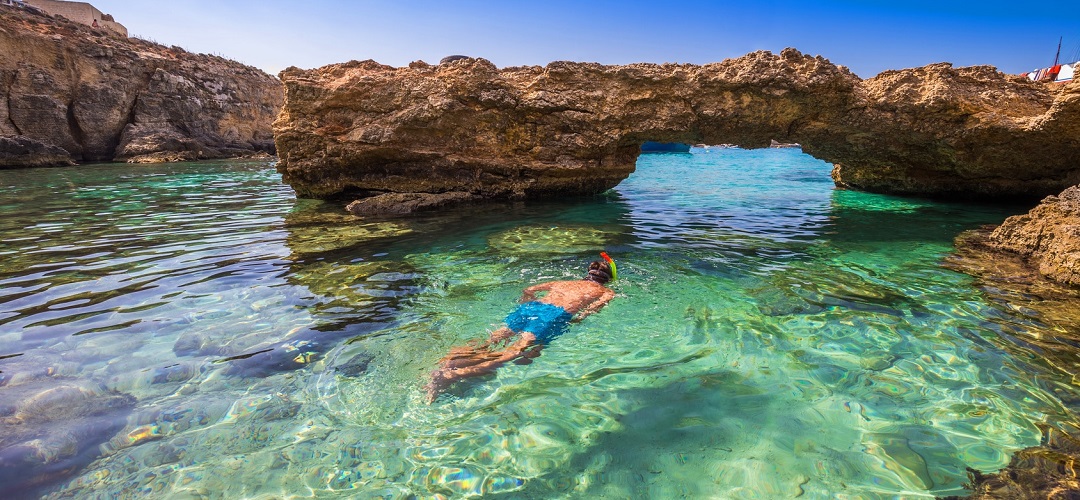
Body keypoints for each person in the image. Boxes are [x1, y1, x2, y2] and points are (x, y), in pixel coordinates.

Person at [425, 254, 618, 402]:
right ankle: (451, 376)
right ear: (608, 279)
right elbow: (588, 312)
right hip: (553, 316)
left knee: (490, 340)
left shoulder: (563, 282)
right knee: (513, 353)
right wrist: (575, 321)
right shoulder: (606, 292)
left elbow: (529, 290)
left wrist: (527, 305)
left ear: (588, 273)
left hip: (531, 308)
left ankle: (448, 362)